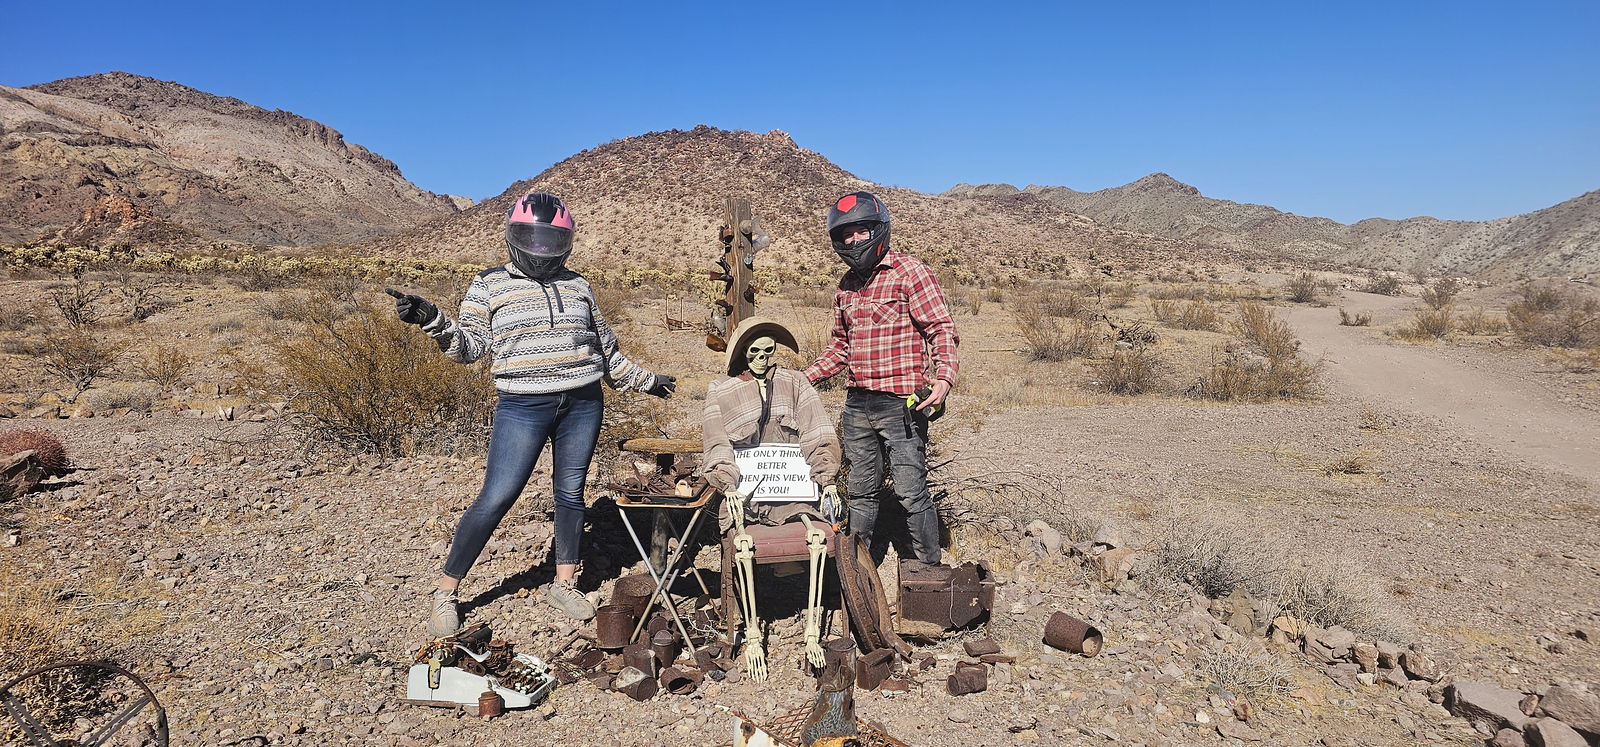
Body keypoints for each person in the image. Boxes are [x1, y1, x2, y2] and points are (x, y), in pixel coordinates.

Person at [386, 191, 677, 636]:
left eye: (551, 240)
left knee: (571, 493)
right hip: (523, 406)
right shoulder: (489, 285)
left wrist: (648, 381)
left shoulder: (579, 285)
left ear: (566, 242)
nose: (541, 249)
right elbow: (471, 348)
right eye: (533, 238)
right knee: (498, 495)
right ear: (512, 237)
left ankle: (564, 583)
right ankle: (445, 592)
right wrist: (433, 321)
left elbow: (607, 353)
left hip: (583, 403)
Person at [803, 191, 959, 565]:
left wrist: (943, 379)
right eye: (847, 234)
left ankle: (928, 567)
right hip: (858, 404)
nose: (855, 240)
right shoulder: (845, 286)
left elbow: (940, 328)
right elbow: (840, 346)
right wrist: (801, 379)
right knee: (860, 491)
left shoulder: (910, 272)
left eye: (862, 231)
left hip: (902, 403)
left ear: (879, 229)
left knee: (910, 490)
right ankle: (859, 567)